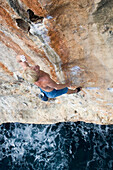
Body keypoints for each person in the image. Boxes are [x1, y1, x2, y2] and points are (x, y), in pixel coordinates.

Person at [16, 55, 82, 101]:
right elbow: (57, 87)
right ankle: (75, 91)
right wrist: (67, 84)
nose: (36, 67)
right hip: (52, 93)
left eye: (32, 68)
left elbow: (19, 60)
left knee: (44, 88)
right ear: (38, 76)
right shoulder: (45, 80)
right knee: (65, 90)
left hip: (43, 88)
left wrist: (21, 57)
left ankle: (44, 95)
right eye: (36, 70)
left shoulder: (28, 71)